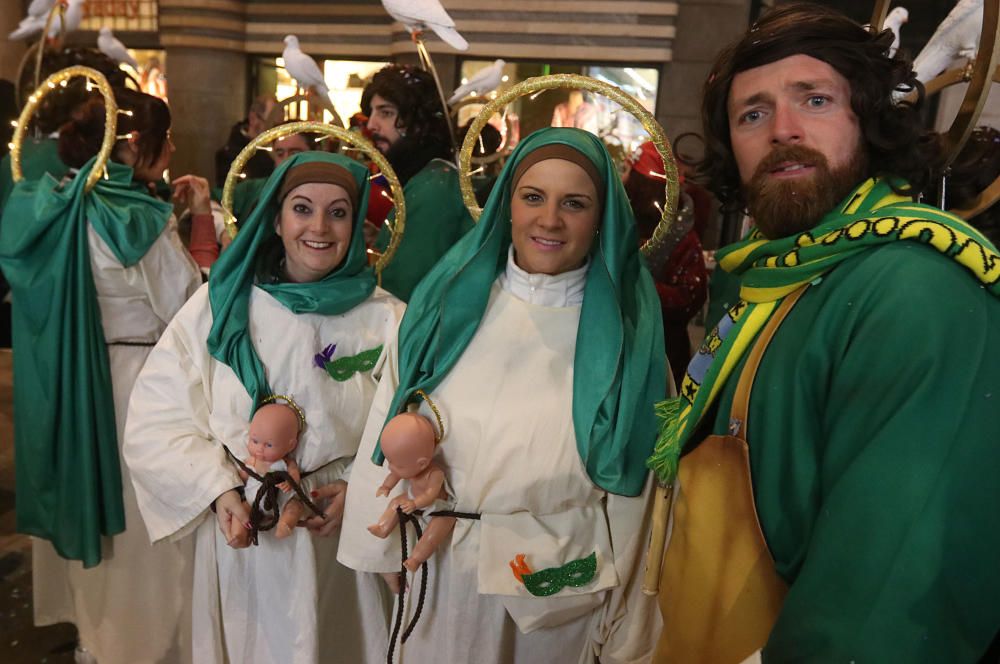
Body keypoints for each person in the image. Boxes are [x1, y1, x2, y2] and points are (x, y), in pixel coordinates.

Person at [646, 4, 1000, 662]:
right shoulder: (777, 277)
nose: (782, 130)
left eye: (814, 100)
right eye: (752, 113)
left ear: (867, 120)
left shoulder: (912, 291)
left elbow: (890, 594)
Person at [339, 127, 665, 662]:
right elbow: (389, 414)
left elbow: (639, 494)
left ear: (603, 218)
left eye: (575, 204)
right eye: (532, 197)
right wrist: (378, 547)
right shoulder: (442, 309)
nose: (550, 220)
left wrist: (628, 623)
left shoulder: (631, 341)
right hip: (437, 574)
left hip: (552, 602)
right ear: (505, 206)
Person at [123, 151, 405, 664]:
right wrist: (218, 491)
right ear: (275, 219)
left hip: (335, 531)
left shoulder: (385, 320)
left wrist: (360, 493)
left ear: (359, 223)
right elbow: (159, 414)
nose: (318, 227)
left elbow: (408, 428)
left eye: (338, 212)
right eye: (302, 208)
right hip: (246, 526)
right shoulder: (220, 308)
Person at [0, 86, 203, 663]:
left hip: (68, 377)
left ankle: (96, 638)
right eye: (164, 140)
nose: (170, 150)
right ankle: (144, 645)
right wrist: (201, 221)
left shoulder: (54, 204)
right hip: (138, 383)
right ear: (136, 144)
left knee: (96, 517)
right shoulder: (136, 220)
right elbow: (190, 309)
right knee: (142, 529)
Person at [362, 64, 474, 302]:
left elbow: (398, 290)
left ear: (419, 121)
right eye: (372, 112)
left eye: (385, 112)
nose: (371, 124)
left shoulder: (434, 187)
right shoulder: (427, 177)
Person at [623, 141, 708, 387]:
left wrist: (637, 286)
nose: (624, 179)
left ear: (644, 186)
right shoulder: (623, 223)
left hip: (663, 356)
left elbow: (691, 294)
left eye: (630, 171)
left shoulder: (680, 235)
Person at [214, 94, 276, 187]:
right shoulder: (230, 156)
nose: (276, 130)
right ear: (253, 118)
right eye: (271, 123)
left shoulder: (277, 149)